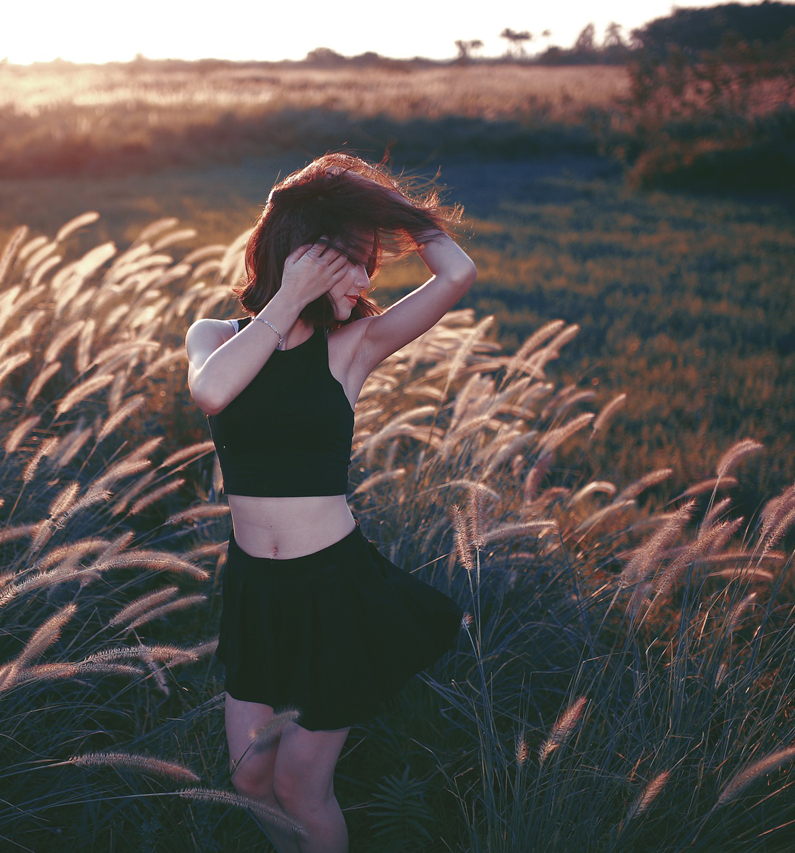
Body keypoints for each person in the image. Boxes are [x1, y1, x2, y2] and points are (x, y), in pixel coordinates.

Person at [185, 153, 477, 852]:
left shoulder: (352, 347)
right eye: (351, 261)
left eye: (368, 260)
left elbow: (458, 273)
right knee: (250, 775)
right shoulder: (213, 338)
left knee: (299, 787)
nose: (367, 278)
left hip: (334, 591)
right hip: (256, 590)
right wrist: (286, 300)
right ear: (300, 261)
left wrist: (382, 200)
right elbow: (212, 392)